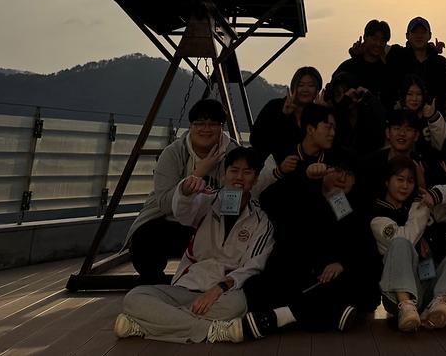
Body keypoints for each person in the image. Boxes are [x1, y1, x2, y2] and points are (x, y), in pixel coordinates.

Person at [115, 147, 274, 344]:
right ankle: (213, 330)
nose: (239, 177)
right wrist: (185, 191)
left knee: (237, 306)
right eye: (234, 170)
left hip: (223, 294)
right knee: (135, 297)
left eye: (247, 172)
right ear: (223, 175)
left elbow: (253, 266)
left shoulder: (261, 221)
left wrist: (219, 288)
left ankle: (145, 325)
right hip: (187, 286)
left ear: (256, 179)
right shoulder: (207, 201)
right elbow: (183, 211)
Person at [242, 150, 376, 337]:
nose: (342, 178)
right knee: (255, 287)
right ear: (324, 170)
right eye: (337, 170)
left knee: (346, 286)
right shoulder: (304, 192)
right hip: (297, 276)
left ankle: (278, 318)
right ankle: (330, 314)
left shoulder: (358, 204)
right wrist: (304, 175)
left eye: (349, 174)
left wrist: (342, 263)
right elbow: (267, 199)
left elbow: (361, 246)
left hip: (332, 279)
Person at [125, 98, 235, 285]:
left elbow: (240, 197)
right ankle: (154, 285)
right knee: (145, 239)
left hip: (214, 224)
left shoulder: (233, 153)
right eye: (199, 123)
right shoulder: (173, 153)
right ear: (191, 126)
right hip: (173, 221)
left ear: (221, 127)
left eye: (213, 124)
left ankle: (219, 283)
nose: (206, 129)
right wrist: (198, 173)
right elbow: (164, 204)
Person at [370, 156, 446, 332]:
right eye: (400, 179)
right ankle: (406, 309)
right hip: (398, 294)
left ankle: (440, 303)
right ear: (387, 181)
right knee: (400, 242)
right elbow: (408, 238)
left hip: (429, 285)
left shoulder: (415, 205)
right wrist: (422, 206)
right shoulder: (378, 215)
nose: (405, 186)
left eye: (410, 181)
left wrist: (433, 195)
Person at [250, 66, 323, 164]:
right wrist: (283, 115)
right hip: (274, 167)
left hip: (309, 169)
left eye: (311, 85)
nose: (305, 89)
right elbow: (255, 140)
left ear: (318, 89)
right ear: (293, 87)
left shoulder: (321, 113)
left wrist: (321, 112)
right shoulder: (274, 106)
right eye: (300, 85)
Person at [386, 16, 446, 116]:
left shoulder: (441, 63)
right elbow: (378, 47)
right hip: (403, 121)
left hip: (434, 120)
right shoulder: (397, 56)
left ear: (430, 35)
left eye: (423, 32)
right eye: (415, 32)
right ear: (407, 35)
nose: (419, 36)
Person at [324, 70, 387, 155]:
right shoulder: (332, 117)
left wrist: (369, 98)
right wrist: (343, 104)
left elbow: (381, 120)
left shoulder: (367, 115)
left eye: (347, 91)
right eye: (338, 94)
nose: (344, 97)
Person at [335, 19, 394, 108]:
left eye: (383, 40)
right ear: (365, 37)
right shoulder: (348, 66)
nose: (378, 44)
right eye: (374, 39)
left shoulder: (388, 71)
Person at [271, 102, 335, 181]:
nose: (333, 133)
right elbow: (260, 185)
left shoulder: (335, 159)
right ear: (310, 129)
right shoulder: (284, 154)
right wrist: (280, 170)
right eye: (328, 128)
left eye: (334, 128)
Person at [396, 73, 446, 151]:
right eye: (409, 94)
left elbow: (445, 145)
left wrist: (433, 118)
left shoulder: (431, 114)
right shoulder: (396, 116)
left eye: (418, 94)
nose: (414, 99)